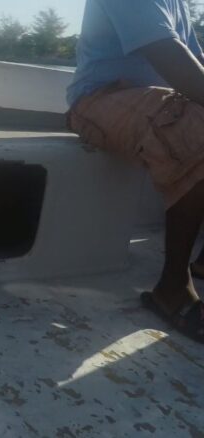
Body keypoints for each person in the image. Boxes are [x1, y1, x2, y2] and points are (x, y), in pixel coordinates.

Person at [67, 0, 204, 343]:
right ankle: (172, 288)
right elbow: (167, 53)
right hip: (98, 100)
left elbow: (195, 62)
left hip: (157, 99)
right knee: (197, 126)